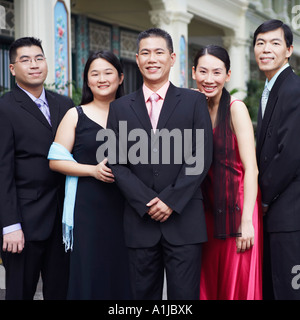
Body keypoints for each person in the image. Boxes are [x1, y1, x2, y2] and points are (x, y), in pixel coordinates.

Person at [106, 28, 213, 300]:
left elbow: (200, 156)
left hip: (184, 220)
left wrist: (171, 200)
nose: (152, 59)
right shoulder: (120, 108)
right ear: (137, 59)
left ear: (172, 57)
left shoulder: (194, 101)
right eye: (145, 53)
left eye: (158, 52)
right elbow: (117, 164)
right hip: (139, 223)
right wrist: (148, 202)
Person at [48, 50, 132, 300]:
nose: (102, 79)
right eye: (95, 74)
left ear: (120, 77)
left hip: (127, 207)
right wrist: (92, 171)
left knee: (123, 272)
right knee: (89, 272)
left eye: (108, 73)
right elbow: (55, 160)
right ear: (87, 80)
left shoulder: (133, 114)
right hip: (87, 209)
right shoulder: (76, 114)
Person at [0, 37, 74, 300]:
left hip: (62, 220)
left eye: (39, 58)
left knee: (61, 291)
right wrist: (10, 225)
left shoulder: (64, 104)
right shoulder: (5, 108)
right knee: (20, 292)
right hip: (24, 222)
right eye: (25, 60)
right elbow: (2, 170)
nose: (34, 65)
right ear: (12, 69)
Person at [192, 45, 263, 300]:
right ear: (193, 72)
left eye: (217, 72)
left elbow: (251, 168)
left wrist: (246, 221)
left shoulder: (236, 108)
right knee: (209, 282)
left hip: (237, 208)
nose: (209, 79)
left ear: (228, 75)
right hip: (209, 210)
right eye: (203, 71)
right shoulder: (194, 107)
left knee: (236, 283)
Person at [253, 19, 300, 300]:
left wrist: (263, 197)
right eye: (260, 43)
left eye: (274, 43)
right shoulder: (272, 88)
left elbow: (291, 153)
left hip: (288, 211)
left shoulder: (293, 90)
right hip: (278, 212)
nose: (266, 49)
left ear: (288, 50)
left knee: (288, 289)